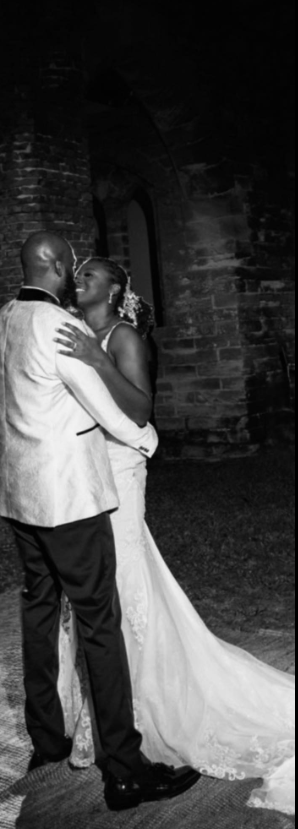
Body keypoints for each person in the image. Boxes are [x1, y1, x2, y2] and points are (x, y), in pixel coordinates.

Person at [54, 256, 296, 817]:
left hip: (119, 472)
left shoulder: (123, 338)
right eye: (78, 273)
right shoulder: (74, 331)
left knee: (126, 586)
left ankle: (151, 711)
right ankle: (114, 711)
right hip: (83, 476)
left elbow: (140, 409)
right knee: (100, 590)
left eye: (91, 274)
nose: (80, 279)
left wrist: (96, 358)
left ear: (115, 290)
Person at [0, 232, 200, 812]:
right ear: (56, 267)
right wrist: (147, 440)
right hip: (69, 501)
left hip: (17, 496)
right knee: (100, 623)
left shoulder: (2, 319)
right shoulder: (62, 328)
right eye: (73, 265)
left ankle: (48, 741)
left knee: (39, 610)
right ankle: (125, 771)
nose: (77, 272)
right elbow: (107, 409)